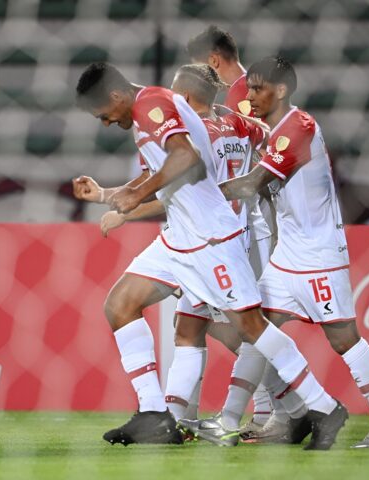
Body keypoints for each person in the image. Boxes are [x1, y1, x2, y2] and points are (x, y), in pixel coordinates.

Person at [74, 62, 347, 450]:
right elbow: (163, 171)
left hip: (212, 239)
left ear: (115, 96)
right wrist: (108, 193)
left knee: (251, 328)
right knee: (120, 304)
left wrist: (134, 197)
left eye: (102, 114)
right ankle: (154, 414)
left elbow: (186, 158)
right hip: (179, 240)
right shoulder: (148, 109)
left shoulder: (152, 103)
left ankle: (322, 407)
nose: (104, 122)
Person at [211, 56, 369, 448]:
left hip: (319, 255)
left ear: (281, 90)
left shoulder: (299, 127)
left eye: (258, 88)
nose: (250, 95)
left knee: (344, 340)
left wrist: (200, 192)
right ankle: (240, 419)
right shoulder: (272, 131)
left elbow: (252, 184)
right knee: (253, 329)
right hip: (286, 256)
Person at [96, 64, 275, 443]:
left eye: (178, 96)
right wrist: (260, 182)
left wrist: (124, 210)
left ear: (189, 99)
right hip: (231, 233)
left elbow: (170, 191)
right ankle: (174, 418)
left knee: (241, 333)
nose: (173, 101)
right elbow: (272, 141)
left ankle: (287, 408)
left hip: (207, 242)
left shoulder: (195, 131)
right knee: (190, 330)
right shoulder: (236, 123)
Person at [187, 25, 281, 434]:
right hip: (244, 218)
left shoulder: (238, 97)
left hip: (242, 223)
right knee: (230, 322)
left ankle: (290, 407)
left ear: (211, 60)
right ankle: (269, 411)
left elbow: (255, 155)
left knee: (244, 325)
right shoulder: (247, 92)